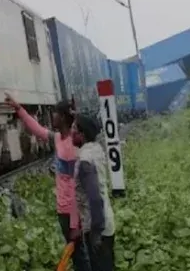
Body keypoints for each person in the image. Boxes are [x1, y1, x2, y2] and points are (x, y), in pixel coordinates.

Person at [5, 93, 90, 271]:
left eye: (55, 113)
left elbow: (77, 187)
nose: (52, 117)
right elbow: (37, 129)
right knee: (76, 254)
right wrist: (19, 109)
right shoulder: (59, 139)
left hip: (71, 212)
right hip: (63, 209)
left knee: (80, 255)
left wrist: (75, 222)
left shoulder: (71, 147)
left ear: (63, 117)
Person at [72, 114, 116, 271]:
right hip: (106, 222)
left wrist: (95, 232)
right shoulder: (96, 149)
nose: (71, 132)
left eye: (74, 129)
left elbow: (95, 198)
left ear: (81, 135)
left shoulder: (85, 160)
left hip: (98, 228)